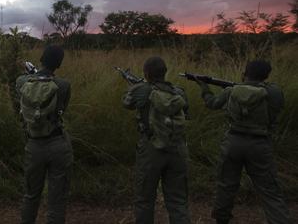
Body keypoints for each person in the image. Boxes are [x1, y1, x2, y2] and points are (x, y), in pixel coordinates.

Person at [193, 60, 292, 224]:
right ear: (266, 75)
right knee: (269, 190)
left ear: (244, 73)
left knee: (226, 185)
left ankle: (221, 219)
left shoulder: (232, 91)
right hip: (260, 145)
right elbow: (276, 108)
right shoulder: (273, 92)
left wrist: (204, 88)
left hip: (233, 143)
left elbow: (212, 104)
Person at [122, 56, 190, 224]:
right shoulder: (179, 92)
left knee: (144, 199)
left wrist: (133, 86)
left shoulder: (141, 90)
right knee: (178, 200)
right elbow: (186, 110)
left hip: (151, 148)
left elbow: (127, 103)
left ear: (146, 73)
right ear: (165, 72)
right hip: (177, 148)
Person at [15, 45, 73, 224]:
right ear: (59, 64)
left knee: (31, 195)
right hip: (57, 144)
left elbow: (25, 83)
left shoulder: (22, 82)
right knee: (57, 199)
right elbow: (62, 108)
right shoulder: (63, 85)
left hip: (34, 145)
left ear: (41, 59)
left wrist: (33, 74)